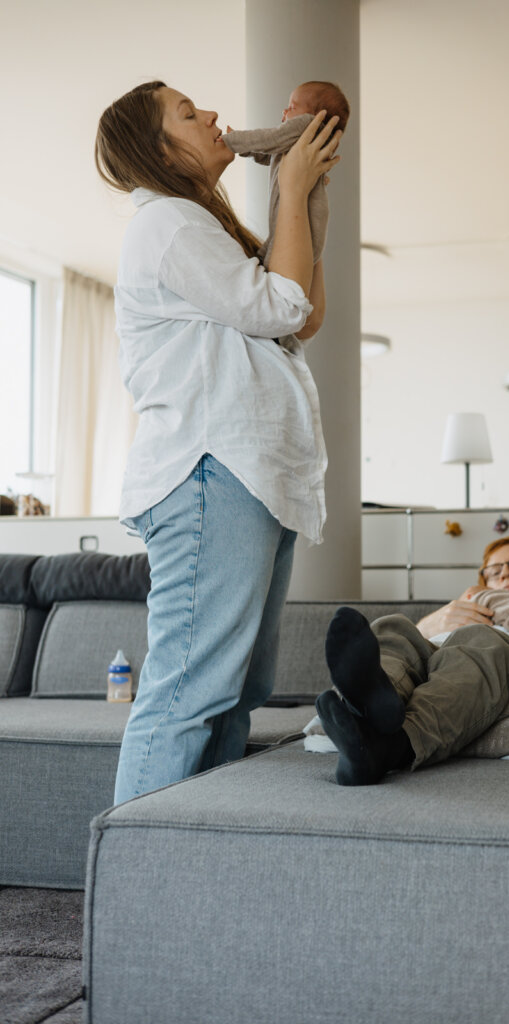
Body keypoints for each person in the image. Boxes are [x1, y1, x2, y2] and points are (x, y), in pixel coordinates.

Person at [95, 81, 342, 804]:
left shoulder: (201, 226)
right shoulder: (167, 223)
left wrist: (301, 193)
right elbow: (283, 304)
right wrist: (289, 188)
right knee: (189, 691)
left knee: (234, 692)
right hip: (212, 472)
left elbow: (303, 313)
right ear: (157, 148)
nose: (210, 115)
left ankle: (194, 847)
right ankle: (141, 862)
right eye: (186, 112)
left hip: (248, 477)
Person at [315, 537, 509, 786]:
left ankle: (392, 745)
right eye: (494, 571)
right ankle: (370, 708)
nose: (505, 573)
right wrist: (430, 624)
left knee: (482, 639)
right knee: (392, 629)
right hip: (445, 661)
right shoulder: (460, 611)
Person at [223, 81, 350, 269]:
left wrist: (232, 140)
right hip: (305, 233)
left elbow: (269, 139)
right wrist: (246, 150)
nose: (284, 111)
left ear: (315, 116)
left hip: (303, 231)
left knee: (269, 259)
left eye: (292, 107)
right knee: (265, 256)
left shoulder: (306, 124)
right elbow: (270, 154)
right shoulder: (301, 145)